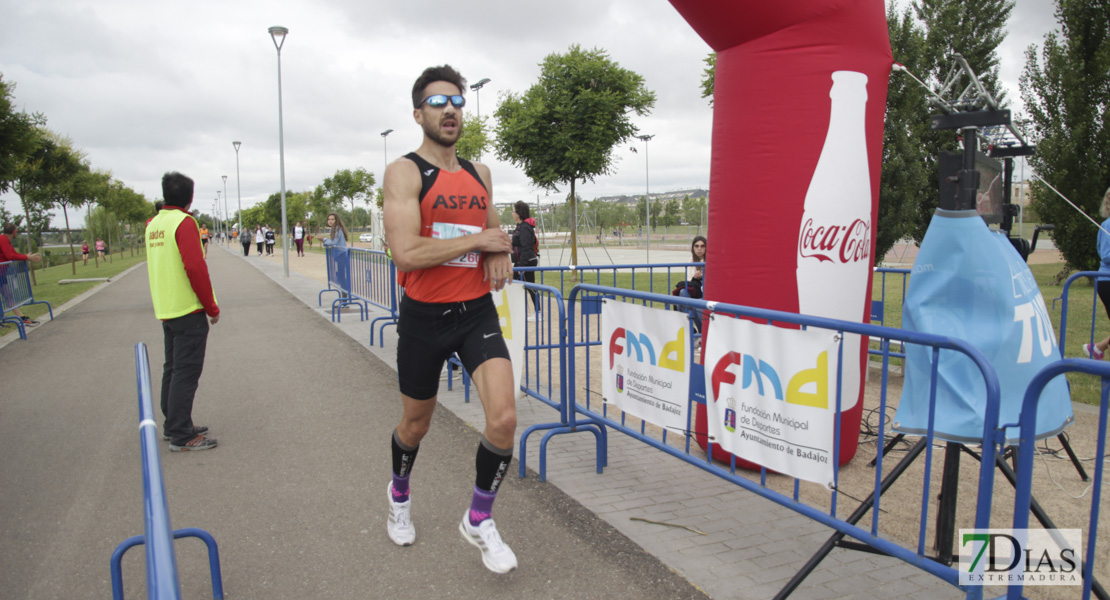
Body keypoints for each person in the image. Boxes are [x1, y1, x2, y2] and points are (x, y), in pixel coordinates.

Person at [382, 65, 518, 574]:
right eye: (438, 102)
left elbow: (491, 226)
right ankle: (398, 495)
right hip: (423, 318)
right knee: (416, 425)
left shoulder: (480, 173)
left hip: (474, 311)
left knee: (504, 419)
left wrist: (498, 247)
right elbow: (406, 252)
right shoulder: (405, 172)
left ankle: (479, 518)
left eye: (457, 101)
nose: (450, 110)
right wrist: (480, 242)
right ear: (418, 113)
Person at [145, 172, 219, 451]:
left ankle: (173, 422)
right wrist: (211, 306)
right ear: (190, 198)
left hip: (167, 306)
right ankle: (182, 434)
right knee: (186, 372)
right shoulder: (185, 222)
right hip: (188, 308)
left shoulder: (154, 224)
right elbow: (195, 267)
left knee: (172, 369)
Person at [0, 223, 43, 327]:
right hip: (1, 273)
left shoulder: (6, 241)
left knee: (8, 296)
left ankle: (21, 318)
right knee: (8, 295)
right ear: (14, 231)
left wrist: (27, 257)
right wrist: (27, 257)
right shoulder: (3, 239)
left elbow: (14, 254)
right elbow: (10, 255)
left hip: (2, 274)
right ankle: (21, 318)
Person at [1085, 186, 1110, 359]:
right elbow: (1106, 256)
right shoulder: (1107, 225)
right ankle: (1097, 349)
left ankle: (1097, 349)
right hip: (1107, 281)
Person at [510, 200, 541, 319]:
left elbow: (527, 247)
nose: (512, 214)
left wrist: (521, 266)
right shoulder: (520, 226)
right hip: (521, 261)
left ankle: (538, 312)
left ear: (519, 213)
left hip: (526, 261)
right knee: (514, 285)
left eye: (513, 211)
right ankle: (517, 312)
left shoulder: (525, 227)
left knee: (529, 286)